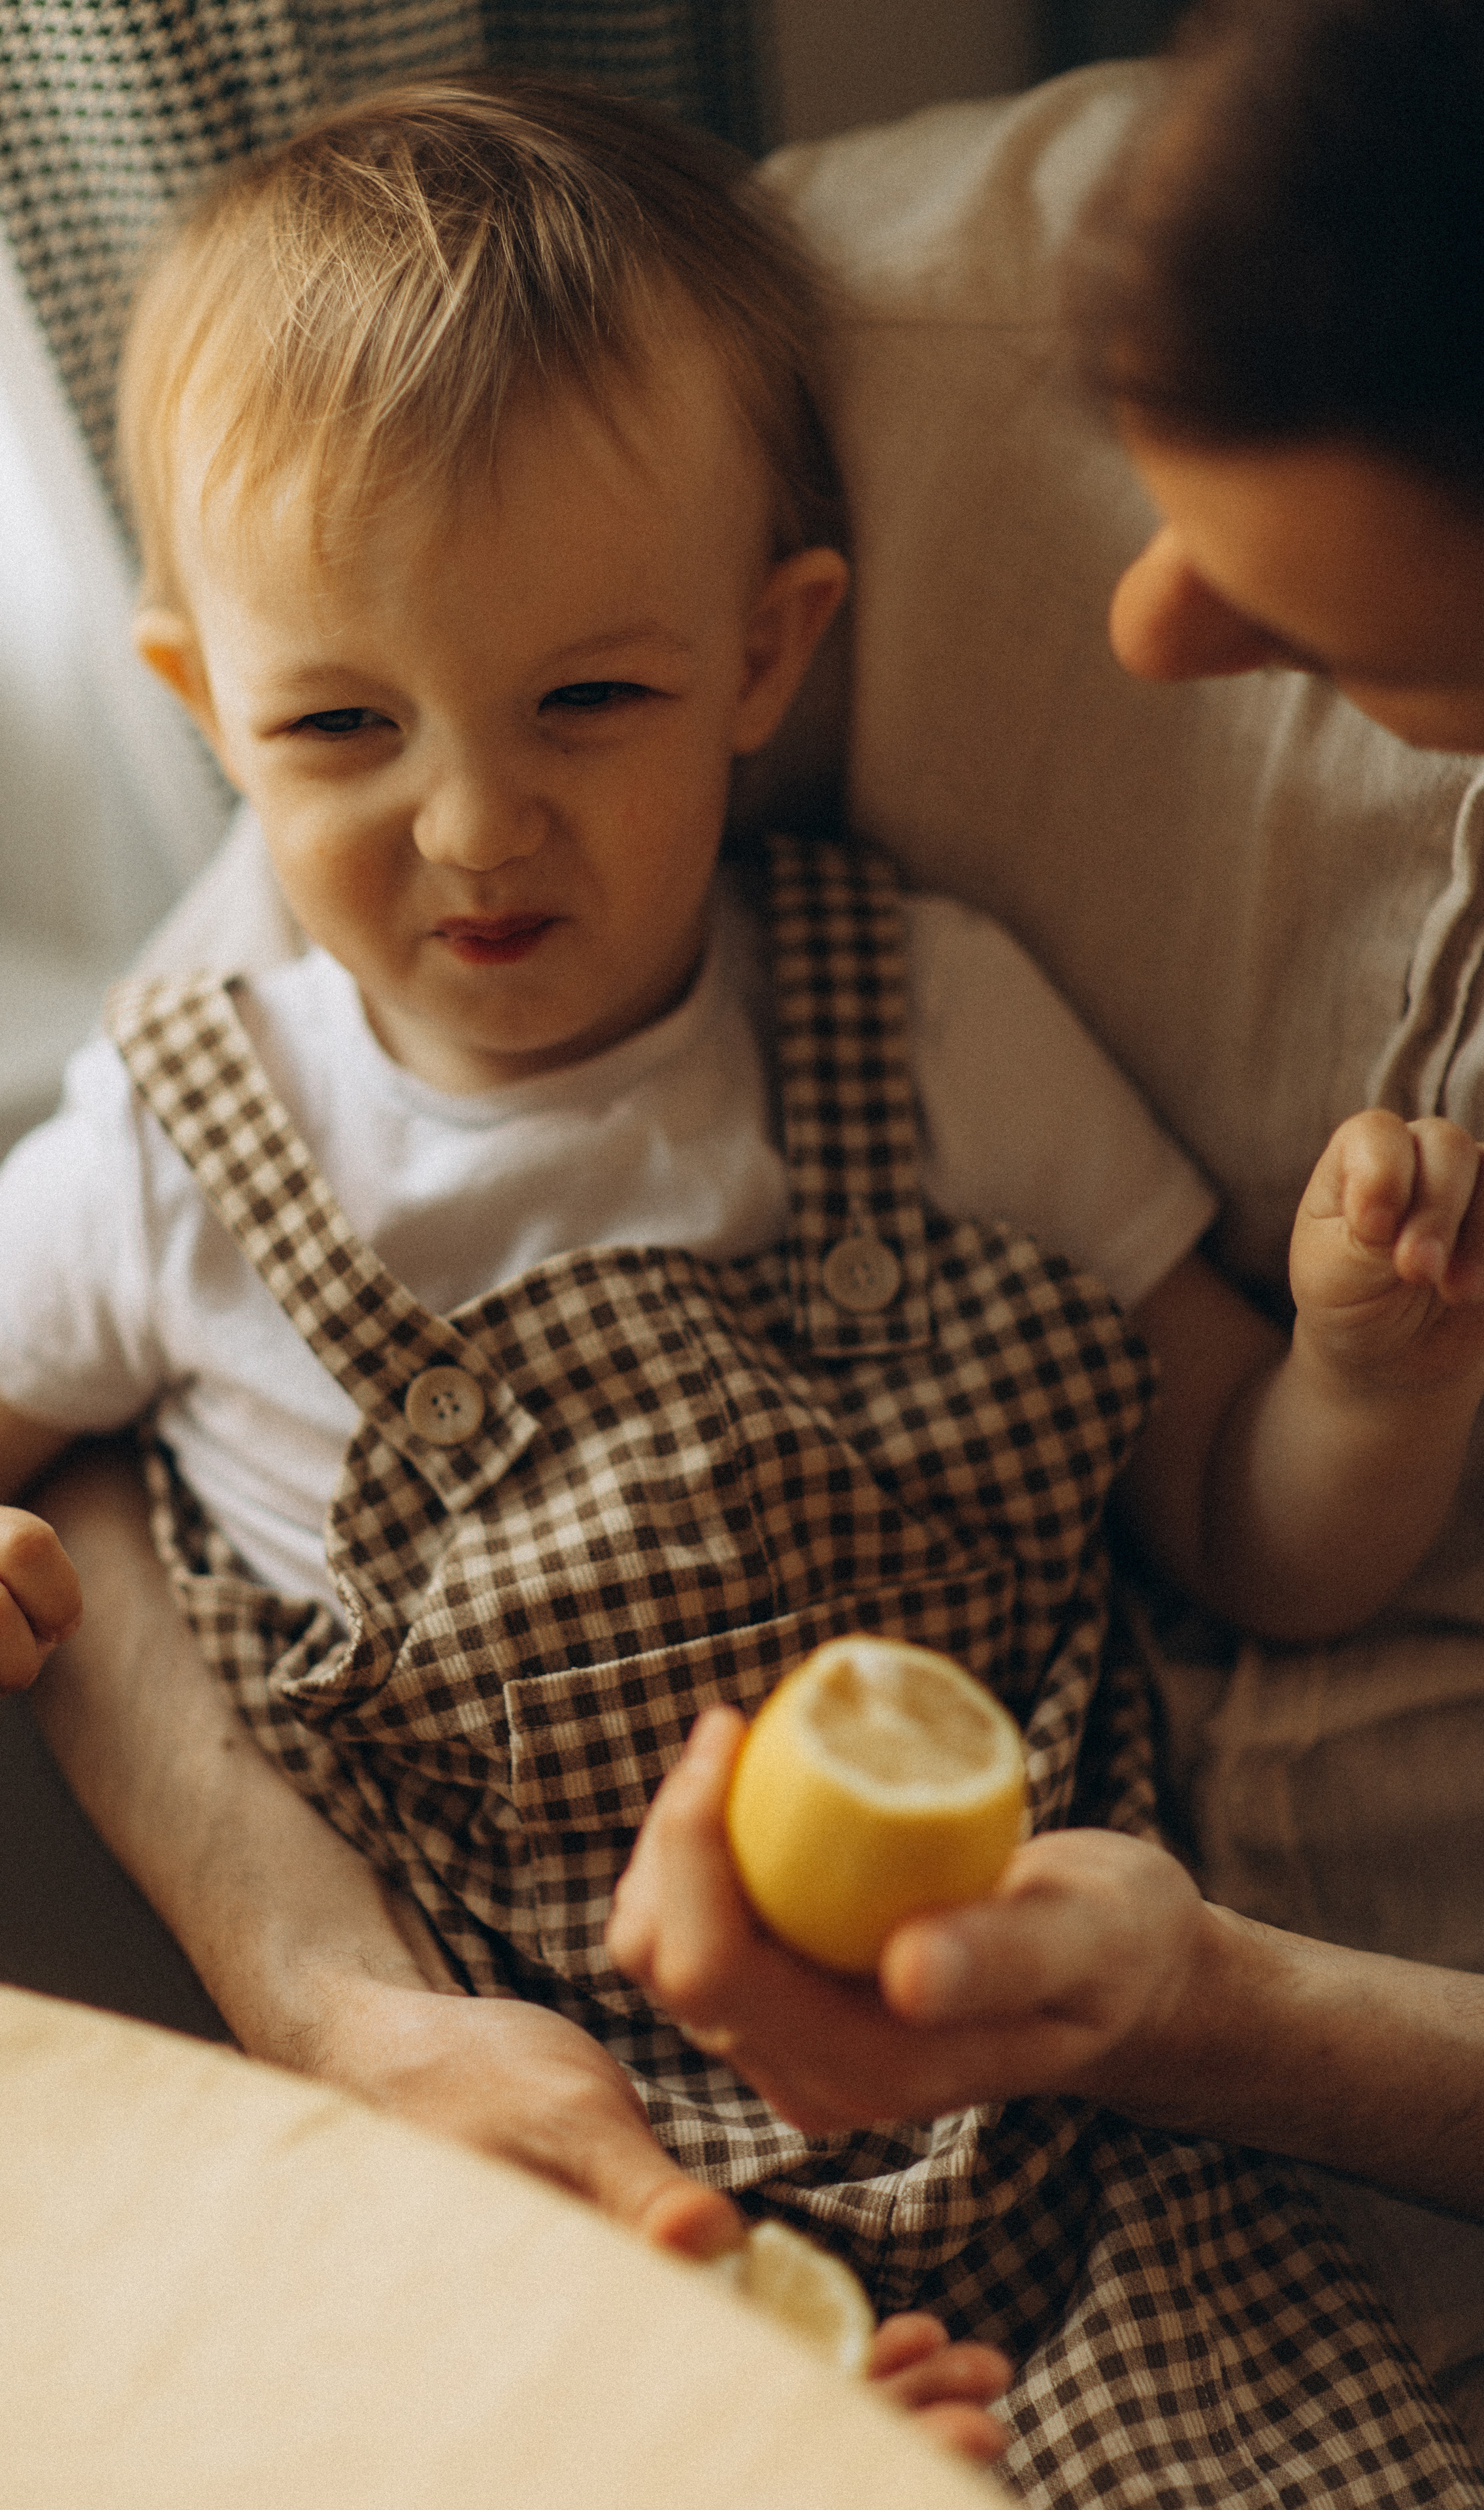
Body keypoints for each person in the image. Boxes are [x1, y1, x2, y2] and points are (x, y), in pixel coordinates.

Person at [0, 66, 1478, 2500]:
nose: (475, 824)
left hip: (1098, 2137)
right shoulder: (186, 1141)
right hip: (545, 2146)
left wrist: (1366, 1363)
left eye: (588, 698)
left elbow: (1257, 1532)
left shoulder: (928, 1013)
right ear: (202, 708)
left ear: (770, 652)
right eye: (341, 727)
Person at [607, 0, 1484, 2383]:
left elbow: (1254, 1506)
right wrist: (345, 2004)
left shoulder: (944, 1032)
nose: (1146, 638)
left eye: (1330, 633)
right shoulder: (871, 315)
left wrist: (1211, 2016)